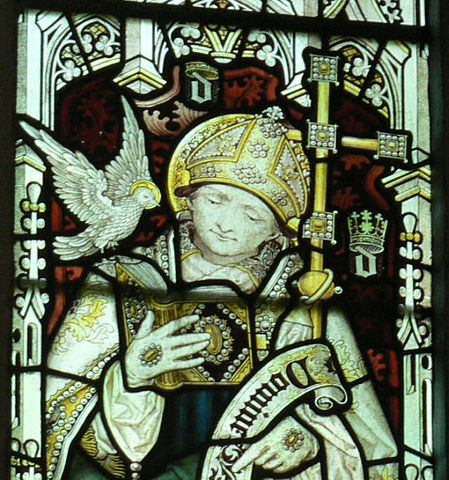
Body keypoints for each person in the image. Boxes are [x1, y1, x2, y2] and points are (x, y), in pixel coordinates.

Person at [45, 107, 397, 480]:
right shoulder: (121, 282)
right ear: (188, 199)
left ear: (276, 232)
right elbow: (56, 416)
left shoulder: (303, 302)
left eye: (252, 215)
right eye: (215, 200)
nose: (226, 224)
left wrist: (307, 439)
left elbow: (366, 438)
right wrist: (131, 378)